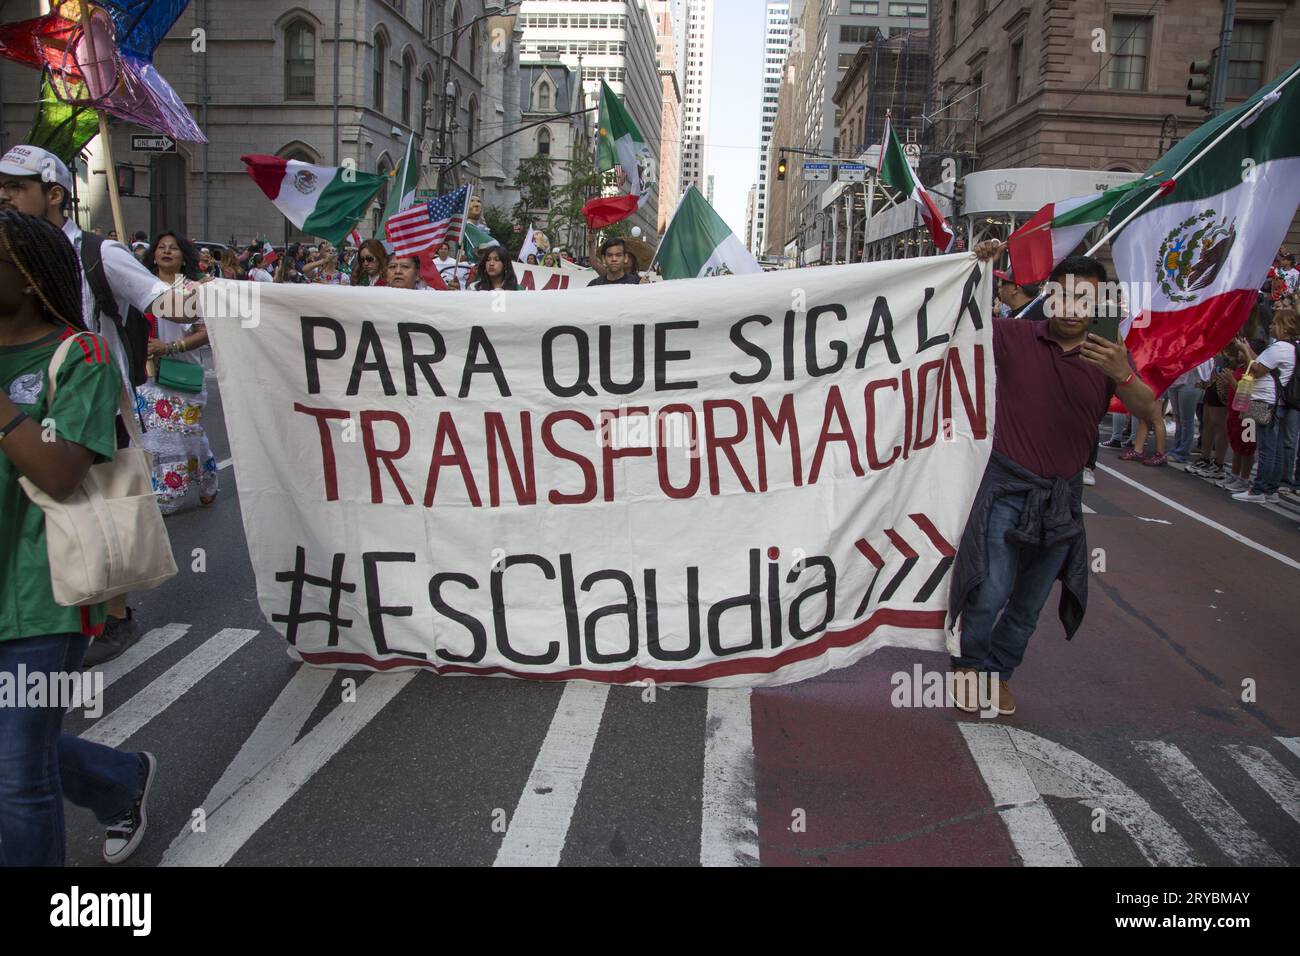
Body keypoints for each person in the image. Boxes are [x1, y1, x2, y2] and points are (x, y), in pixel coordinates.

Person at [0, 208, 158, 865]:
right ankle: (120, 779)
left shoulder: (81, 355)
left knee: (17, 777)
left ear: (30, 276)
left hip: (46, 592)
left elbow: (60, 472)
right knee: (16, 746)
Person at [949, 247, 1157, 716]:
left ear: (1097, 305)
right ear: (1049, 297)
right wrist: (974, 264)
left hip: (1062, 498)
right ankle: (968, 664)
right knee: (992, 587)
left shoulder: (1109, 358)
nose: (1072, 307)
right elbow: (956, 317)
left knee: (1029, 604)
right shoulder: (1014, 336)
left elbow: (1150, 410)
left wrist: (1123, 375)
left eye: (1084, 299)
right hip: (1005, 486)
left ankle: (999, 673)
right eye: (1063, 296)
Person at [0, 144, 182, 665]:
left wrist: (243, 305)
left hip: (87, 394)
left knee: (96, 502)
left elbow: (162, 300)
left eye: (17, 187)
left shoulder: (99, 254)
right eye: (1, 187)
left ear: (54, 193)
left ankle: (112, 612)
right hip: (27, 397)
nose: (5, 197)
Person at [140, 232, 219, 512]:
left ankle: (207, 478)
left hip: (184, 375)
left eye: (173, 248)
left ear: (184, 256)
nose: (167, 251)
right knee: (163, 435)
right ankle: (167, 493)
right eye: (161, 247)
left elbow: (206, 333)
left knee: (187, 433)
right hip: (148, 376)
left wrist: (170, 346)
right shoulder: (141, 287)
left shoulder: (192, 289)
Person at [1233, 308, 1299, 503]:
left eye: (1275, 323)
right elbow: (1263, 363)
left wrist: (1245, 352)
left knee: (1266, 447)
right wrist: (1249, 350)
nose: (1271, 326)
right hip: (1276, 401)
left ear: (1284, 327)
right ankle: (1271, 489)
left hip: (1266, 400)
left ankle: (1259, 489)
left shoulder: (1280, 348)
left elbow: (1257, 369)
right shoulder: (1291, 347)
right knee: (1275, 447)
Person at [1166, 359, 1213, 462]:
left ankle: (1182, 452)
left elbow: (1207, 359)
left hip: (1191, 381)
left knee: (1186, 419)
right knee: (1177, 418)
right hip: (1173, 379)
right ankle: (1176, 447)